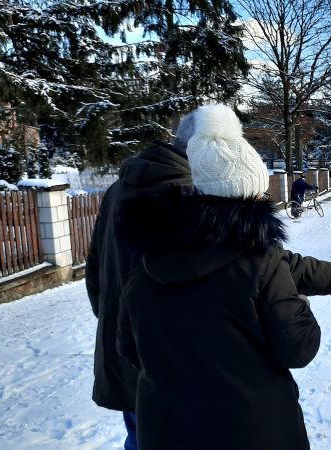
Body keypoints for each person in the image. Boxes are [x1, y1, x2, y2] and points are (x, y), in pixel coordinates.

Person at [116, 104, 331, 450]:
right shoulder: (259, 259)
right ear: (248, 195)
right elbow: (299, 348)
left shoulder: (149, 256)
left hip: (166, 430)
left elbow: (128, 345)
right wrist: (300, 304)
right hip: (252, 428)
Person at [86, 113, 195, 450]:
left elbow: (95, 268)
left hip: (121, 346)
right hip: (170, 356)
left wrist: (112, 319)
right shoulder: (188, 193)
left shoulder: (118, 189)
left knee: (139, 435)